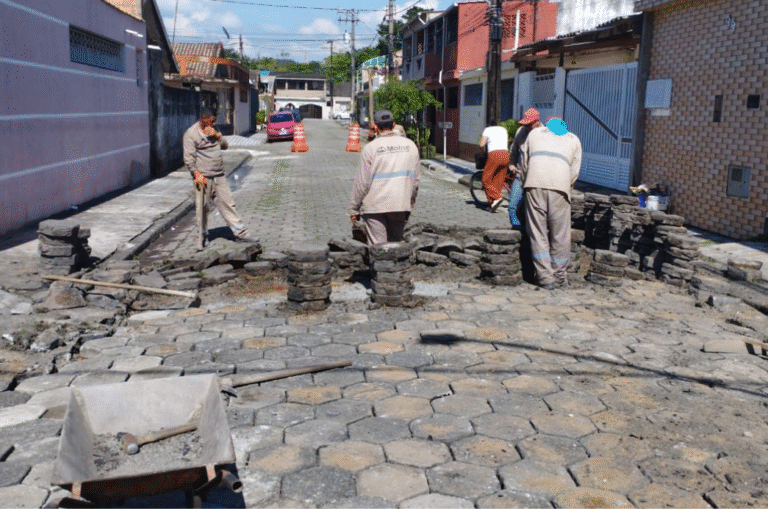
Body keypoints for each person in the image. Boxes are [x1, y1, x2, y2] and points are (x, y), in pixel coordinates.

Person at [518, 116, 582, 289]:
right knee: (560, 233)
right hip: (560, 187)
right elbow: (574, 171)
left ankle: (545, 278)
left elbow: (524, 162)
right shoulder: (573, 139)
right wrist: (565, 186)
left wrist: (525, 182)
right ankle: (559, 275)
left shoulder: (534, 134)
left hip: (534, 184)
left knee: (537, 232)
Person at [183, 107, 256, 250]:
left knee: (228, 203)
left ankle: (241, 233)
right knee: (202, 207)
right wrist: (196, 173)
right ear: (203, 119)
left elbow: (225, 146)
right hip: (202, 177)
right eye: (211, 122)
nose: (213, 124)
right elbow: (188, 158)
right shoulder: (191, 134)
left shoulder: (214, 130)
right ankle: (202, 238)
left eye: (214, 122)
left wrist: (218, 136)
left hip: (219, 175)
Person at [348, 109, 420, 245]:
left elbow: (362, 183)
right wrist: (409, 205)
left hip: (375, 207)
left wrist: (354, 209)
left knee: (378, 249)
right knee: (396, 246)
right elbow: (415, 183)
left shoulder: (370, 148)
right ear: (394, 125)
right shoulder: (411, 146)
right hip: (399, 205)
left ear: (375, 126)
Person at [508, 108, 542, 229]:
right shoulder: (520, 132)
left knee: (533, 210)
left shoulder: (544, 134)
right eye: (525, 124)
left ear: (537, 122)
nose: (526, 127)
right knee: (512, 207)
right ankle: (516, 230)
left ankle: (527, 235)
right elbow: (513, 152)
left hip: (537, 180)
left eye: (529, 124)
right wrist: (512, 165)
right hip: (520, 176)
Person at [478, 121, 510, 212]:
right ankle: (492, 205)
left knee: (486, 179)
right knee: (498, 181)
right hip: (505, 155)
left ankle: (497, 198)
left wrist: (481, 151)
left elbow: (481, 144)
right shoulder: (503, 129)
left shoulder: (487, 129)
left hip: (494, 155)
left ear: (489, 125)